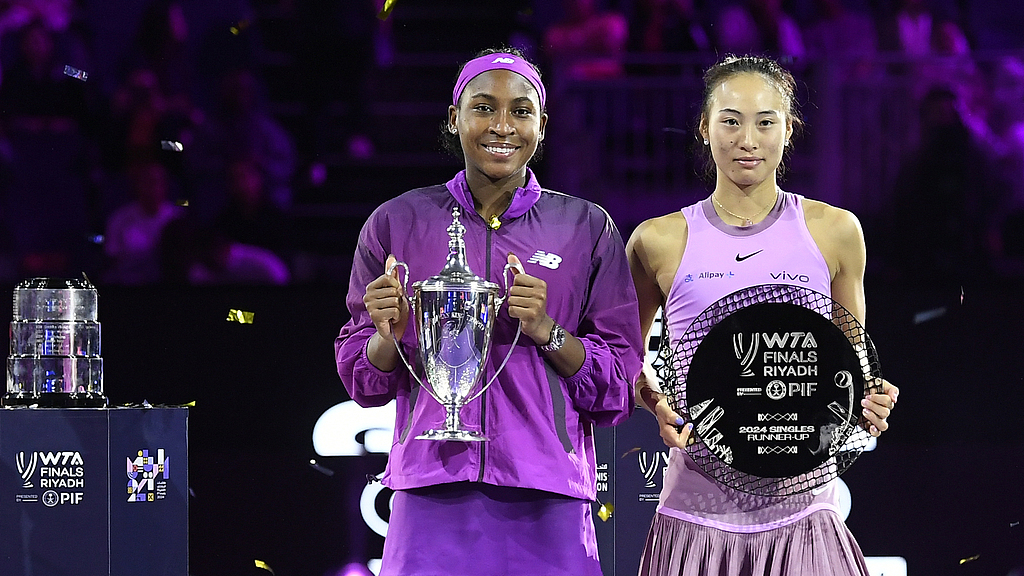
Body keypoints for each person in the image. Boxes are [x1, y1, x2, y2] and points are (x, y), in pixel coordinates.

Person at [334, 47, 642, 576]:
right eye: (483, 107)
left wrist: (547, 331)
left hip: (548, 491)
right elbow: (362, 380)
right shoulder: (397, 222)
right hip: (430, 487)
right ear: (455, 118)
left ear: (542, 126)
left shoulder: (586, 227)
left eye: (521, 111)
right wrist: (386, 335)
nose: (502, 125)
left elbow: (618, 383)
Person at [626, 55, 900, 576]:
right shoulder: (657, 240)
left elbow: (854, 362)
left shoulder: (836, 231)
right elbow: (624, 360)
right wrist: (655, 402)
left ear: (789, 130)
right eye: (730, 120)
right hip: (694, 513)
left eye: (765, 121)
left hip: (804, 513)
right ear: (704, 129)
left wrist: (874, 399)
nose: (746, 139)